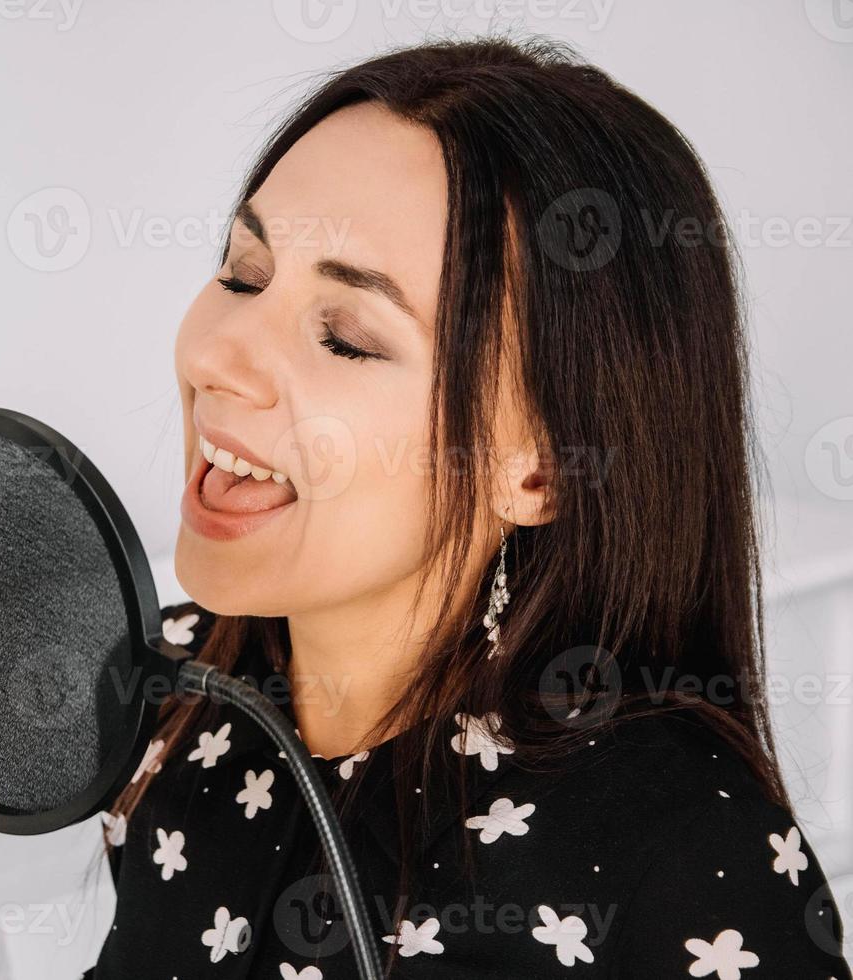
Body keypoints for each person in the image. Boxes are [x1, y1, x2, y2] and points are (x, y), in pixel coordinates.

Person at [83, 36, 852, 979]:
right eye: (243, 275)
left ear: (540, 472)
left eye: (348, 338)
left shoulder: (684, 854)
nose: (215, 358)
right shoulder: (173, 700)